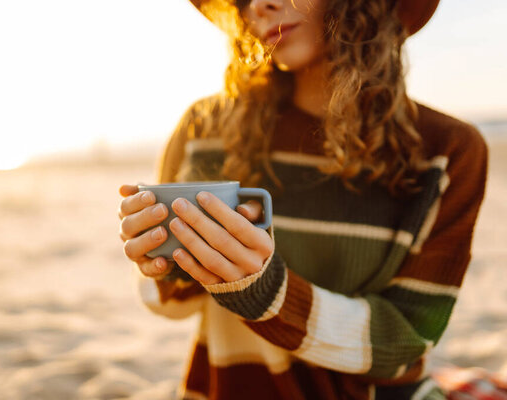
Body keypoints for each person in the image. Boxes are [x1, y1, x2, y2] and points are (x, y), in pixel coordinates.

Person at [117, 0, 489, 398]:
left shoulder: (447, 151)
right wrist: (157, 260)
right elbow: (173, 307)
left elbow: (405, 341)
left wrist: (265, 293)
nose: (260, 5)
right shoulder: (204, 126)